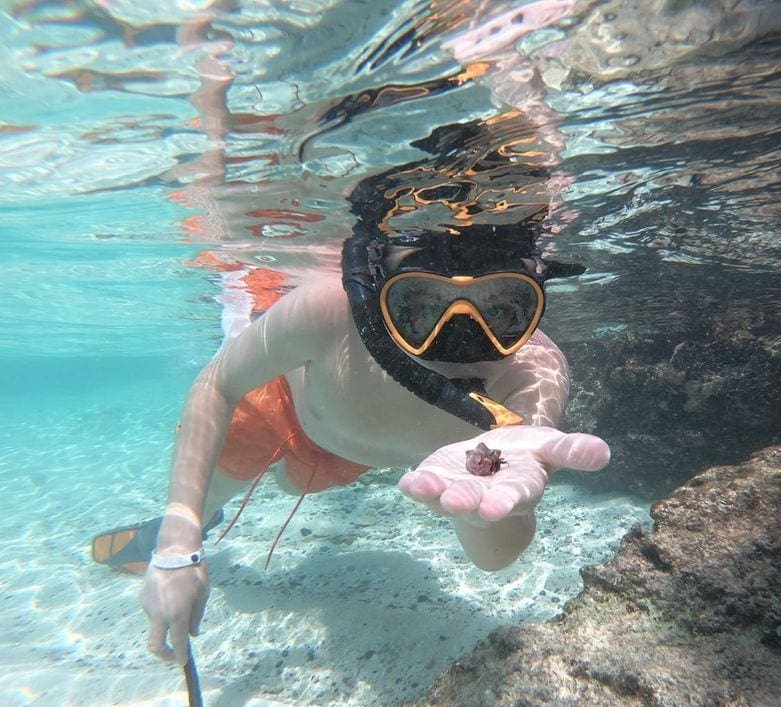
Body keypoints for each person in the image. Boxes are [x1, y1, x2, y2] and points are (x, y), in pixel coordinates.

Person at [91, 114, 611, 667]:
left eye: (504, 309)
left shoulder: (533, 373)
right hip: (277, 406)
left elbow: (496, 554)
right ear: (375, 291)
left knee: (291, 488)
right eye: (420, 307)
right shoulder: (325, 309)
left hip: (342, 452)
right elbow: (219, 382)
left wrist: (479, 516)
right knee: (212, 492)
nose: (462, 337)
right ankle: (184, 524)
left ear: (536, 301)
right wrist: (178, 542)